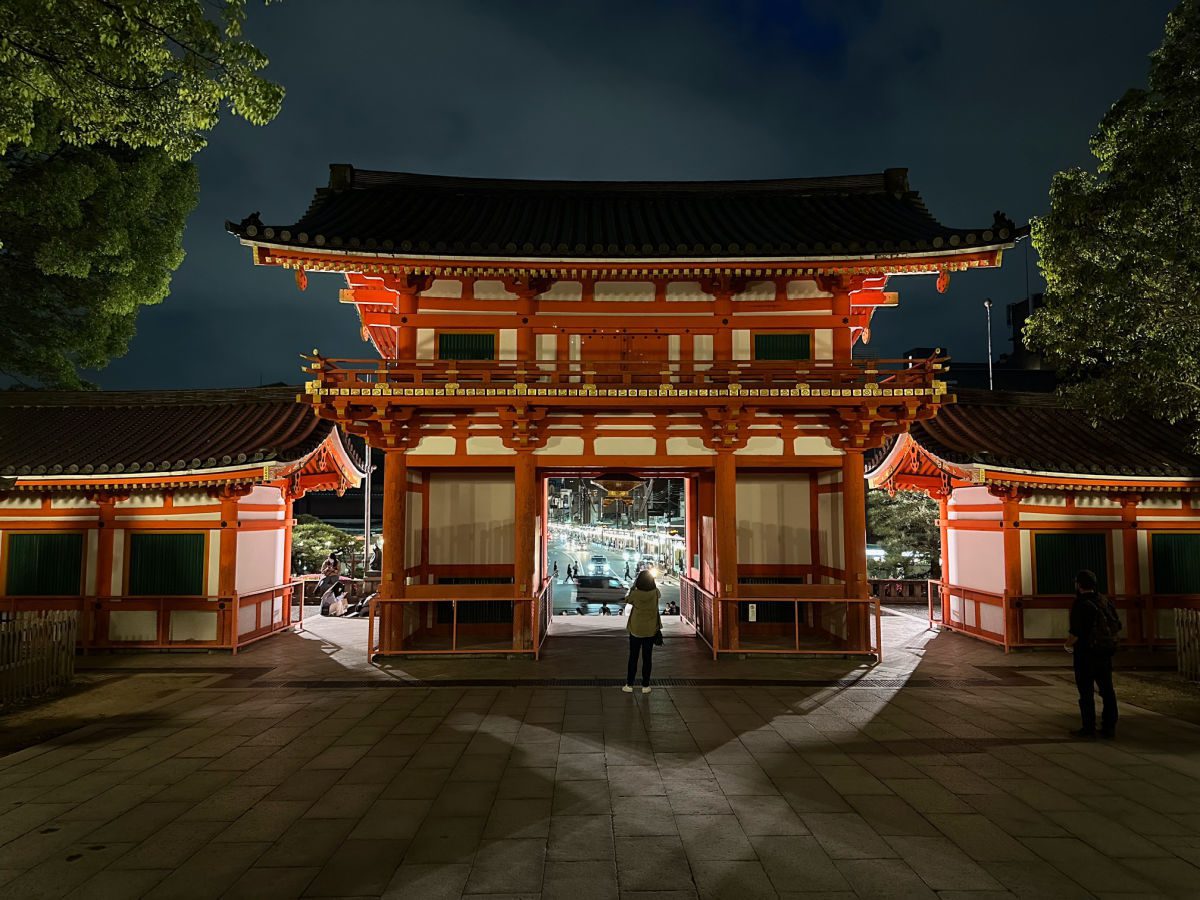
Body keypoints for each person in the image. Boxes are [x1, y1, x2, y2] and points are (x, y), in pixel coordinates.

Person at [1065, 569, 1120, 739]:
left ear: (1078, 585)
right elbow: (1117, 625)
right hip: (1104, 653)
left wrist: (1067, 645)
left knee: (1086, 692)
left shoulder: (1080, 604)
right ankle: (1109, 727)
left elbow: (1076, 632)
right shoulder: (1104, 601)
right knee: (1107, 690)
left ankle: (1088, 728)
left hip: (1085, 654)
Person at [623, 569, 663, 694]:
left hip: (636, 628)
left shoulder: (635, 593)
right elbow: (659, 595)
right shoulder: (655, 592)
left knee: (633, 657)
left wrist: (633, 587)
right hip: (650, 629)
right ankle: (645, 685)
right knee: (647, 658)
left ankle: (629, 685)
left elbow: (627, 600)